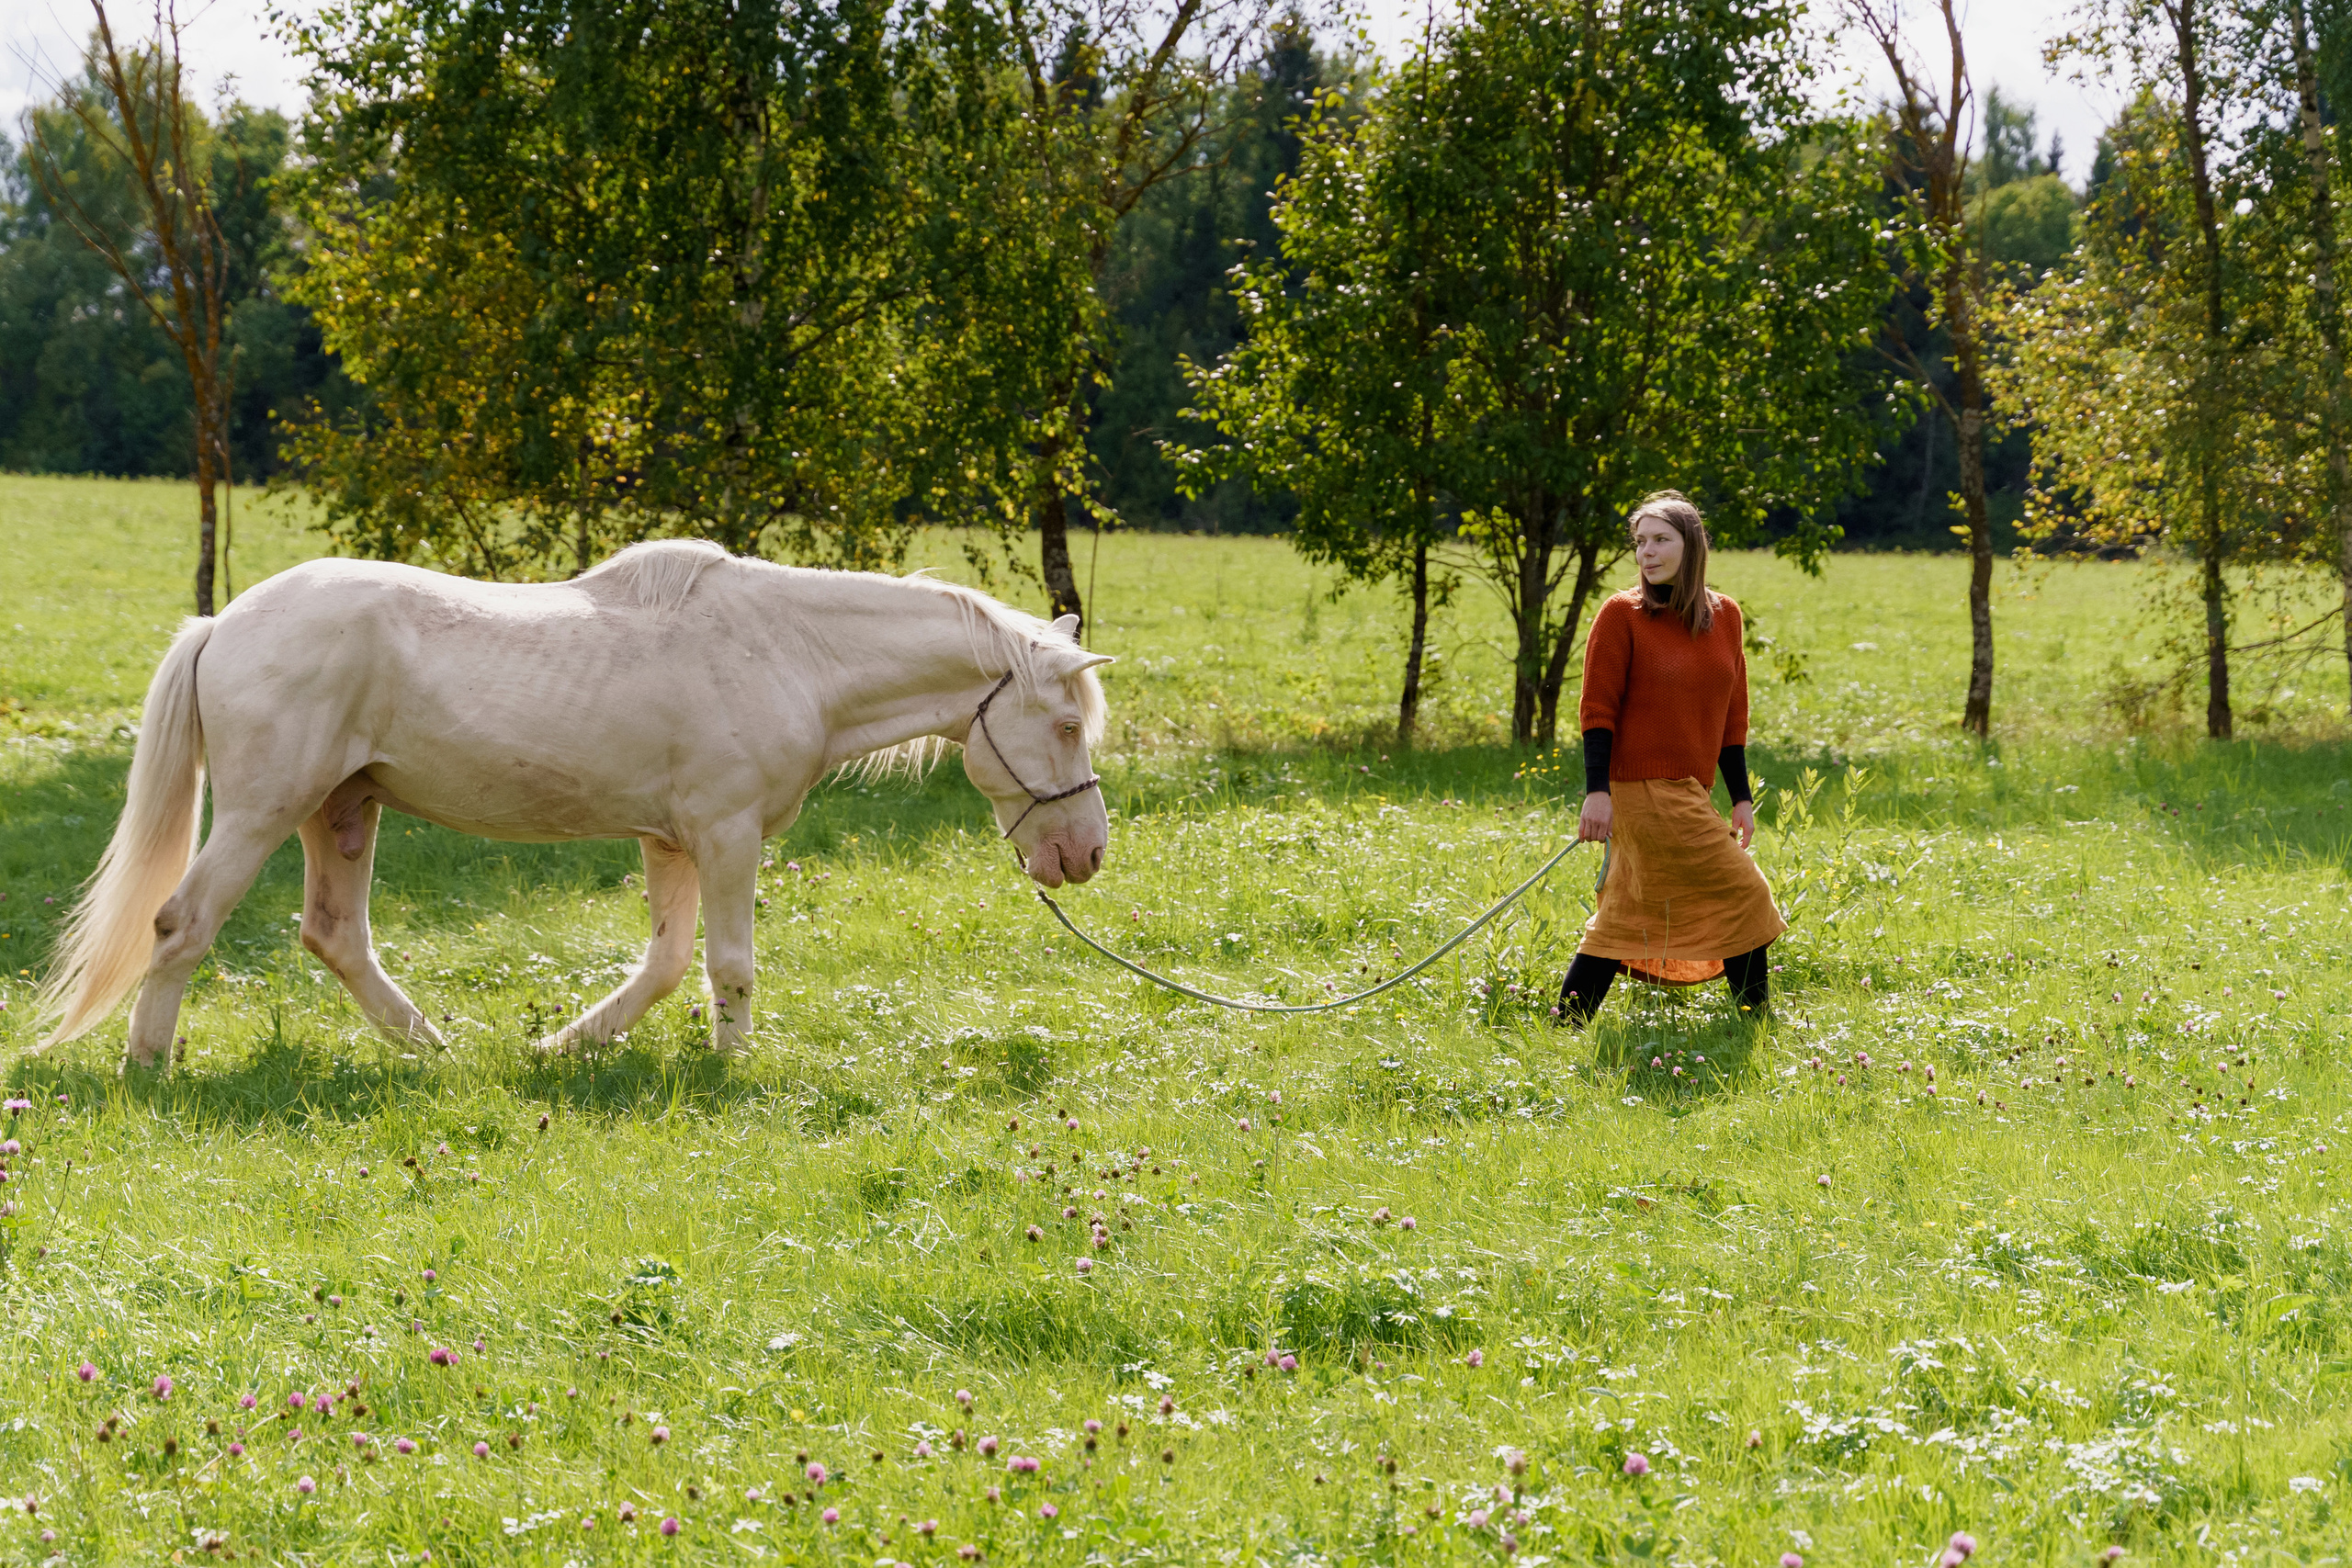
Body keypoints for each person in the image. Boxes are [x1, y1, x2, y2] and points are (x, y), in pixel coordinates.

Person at [1557, 491, 1785, 1027]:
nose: (1647, 553)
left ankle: (1567, 1025)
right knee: (1743, 892)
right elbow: (1597, 712)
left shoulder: (1724, 616)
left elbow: (1733, 716)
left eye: (1661, 540)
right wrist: (1597, 792)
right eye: (1640, 542)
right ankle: (1757, 1021)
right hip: (1639, 786)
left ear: (1693, 546)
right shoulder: (1622, 615)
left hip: (1689, 789)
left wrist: (1742, 797)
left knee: (1628, 910)